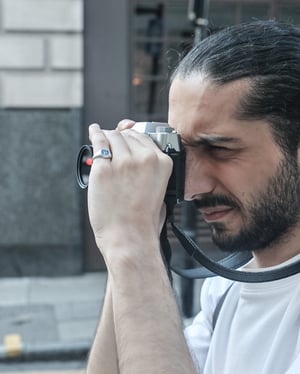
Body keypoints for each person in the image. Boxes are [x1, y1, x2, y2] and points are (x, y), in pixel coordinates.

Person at [85, 20, 300, 374]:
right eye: (181, 152)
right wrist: (131, 243)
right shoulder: (225, 290)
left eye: (217, 149)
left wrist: (132, 245)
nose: (189, 187)